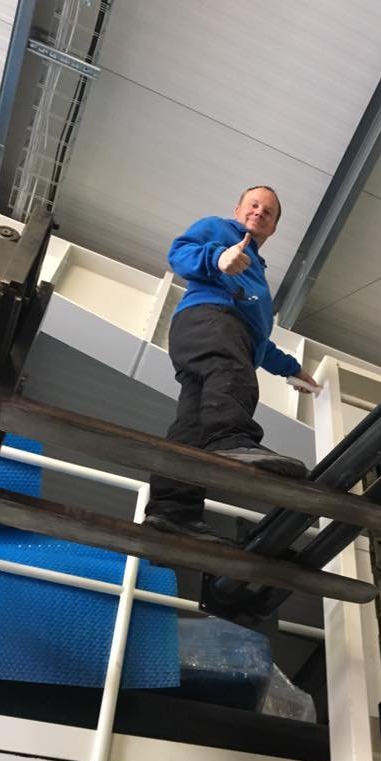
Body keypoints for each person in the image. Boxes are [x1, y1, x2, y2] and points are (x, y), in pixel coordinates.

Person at [144, 185, 319, 541]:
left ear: (273, 227)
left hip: (215, 333)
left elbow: (258, 342)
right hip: (210, 319)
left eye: (268, 212)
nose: (259, 212)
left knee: (192, 425)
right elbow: (180, 253)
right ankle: (230, 439)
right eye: (254, 205)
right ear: (237, 210)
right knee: (232, 372)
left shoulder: (256, 271)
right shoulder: (219, 230)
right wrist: (217, 258)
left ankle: (172, 511)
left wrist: (293, 369)